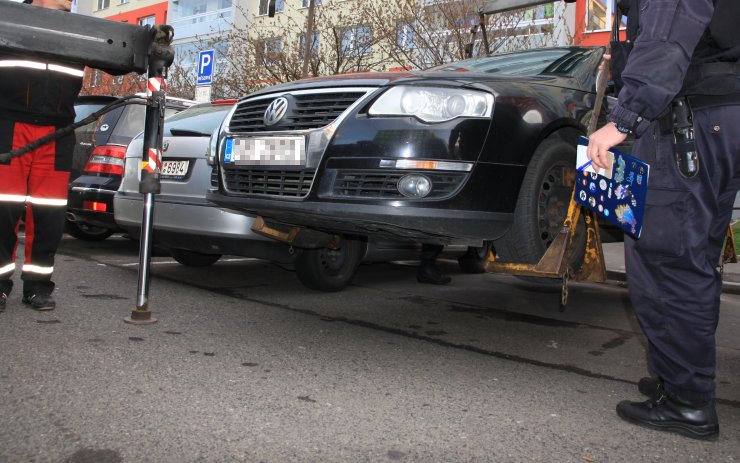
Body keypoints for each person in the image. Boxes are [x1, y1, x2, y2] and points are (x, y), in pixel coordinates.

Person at [587, 0, 740, 441]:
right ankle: (680, 379)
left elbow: (668, 37)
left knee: (666, 260)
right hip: (720, 113)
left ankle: (688, 403)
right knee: (696, 258)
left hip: (691, 119)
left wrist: (623, 120)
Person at [0, 0, 85, 311]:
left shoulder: (81, 31)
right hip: (9, 126)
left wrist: (150, 42)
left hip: (57, 133)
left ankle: (37, 287)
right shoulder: (9, 19)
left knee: (49, 216)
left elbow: (122, 57)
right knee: (2, 211)